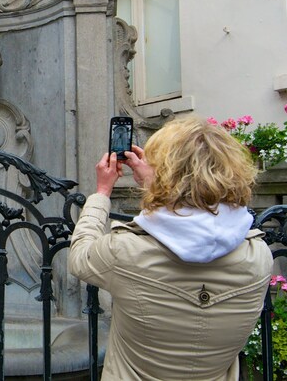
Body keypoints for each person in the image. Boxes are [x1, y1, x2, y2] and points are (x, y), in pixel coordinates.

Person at [68, 117, 273, 380]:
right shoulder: (258, 255)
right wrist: (156, 184)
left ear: (165, 176)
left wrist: (102, 193)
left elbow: (80, 256)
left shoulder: (127, 250)